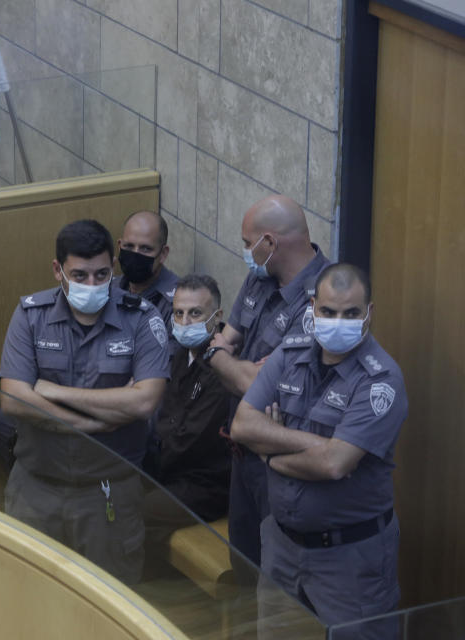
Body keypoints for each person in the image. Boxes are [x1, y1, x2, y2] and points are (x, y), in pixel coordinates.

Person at [231, 263, 406, 637]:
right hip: (281, 545)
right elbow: (242, 425)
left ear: (369, 313)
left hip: (349, 558)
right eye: (328, 311)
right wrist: (315, 446)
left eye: (351, 313)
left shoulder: (381, 380)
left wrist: (269, 451)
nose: (338, 321)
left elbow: (333, 464)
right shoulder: (288, 354)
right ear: (313, 307)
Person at [0, 219, 169, 583]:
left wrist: (52, 391)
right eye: (80, 275)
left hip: (108, 495)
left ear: (113, 268)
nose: (92, 285)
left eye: (102, 274)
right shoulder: (31, 315)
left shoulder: (141, 318)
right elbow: (14, 400)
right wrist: (90, 423)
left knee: (111, 608)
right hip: (36, 491)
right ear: (58, 270)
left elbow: (144, 403)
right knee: (28, 600)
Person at [204, 195, 330, 568]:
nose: (246, 252)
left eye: (248, 244)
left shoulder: (322, 301)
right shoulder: (260, 277)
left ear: (270, 244)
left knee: (274, 577)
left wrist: (224, 357)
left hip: (281, 465)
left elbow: (256, 382)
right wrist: (226, 357)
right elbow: (224, 342)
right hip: (242, 456)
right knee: (242, 563)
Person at [141, 274, 231, 541]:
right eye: (178, 313)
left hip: (204, 485)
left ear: (217, 316)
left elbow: (186, 441)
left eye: (195, 313)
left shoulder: (224, 367)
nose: (185, 322)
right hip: (169, 471)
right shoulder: (180, 355)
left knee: (127, 507)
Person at [115, 210, 178, 326]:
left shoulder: (178, 303)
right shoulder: (111, 287)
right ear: (119, 246)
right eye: (129, 246)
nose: (135, 254)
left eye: (145, 249)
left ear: (163, 254)